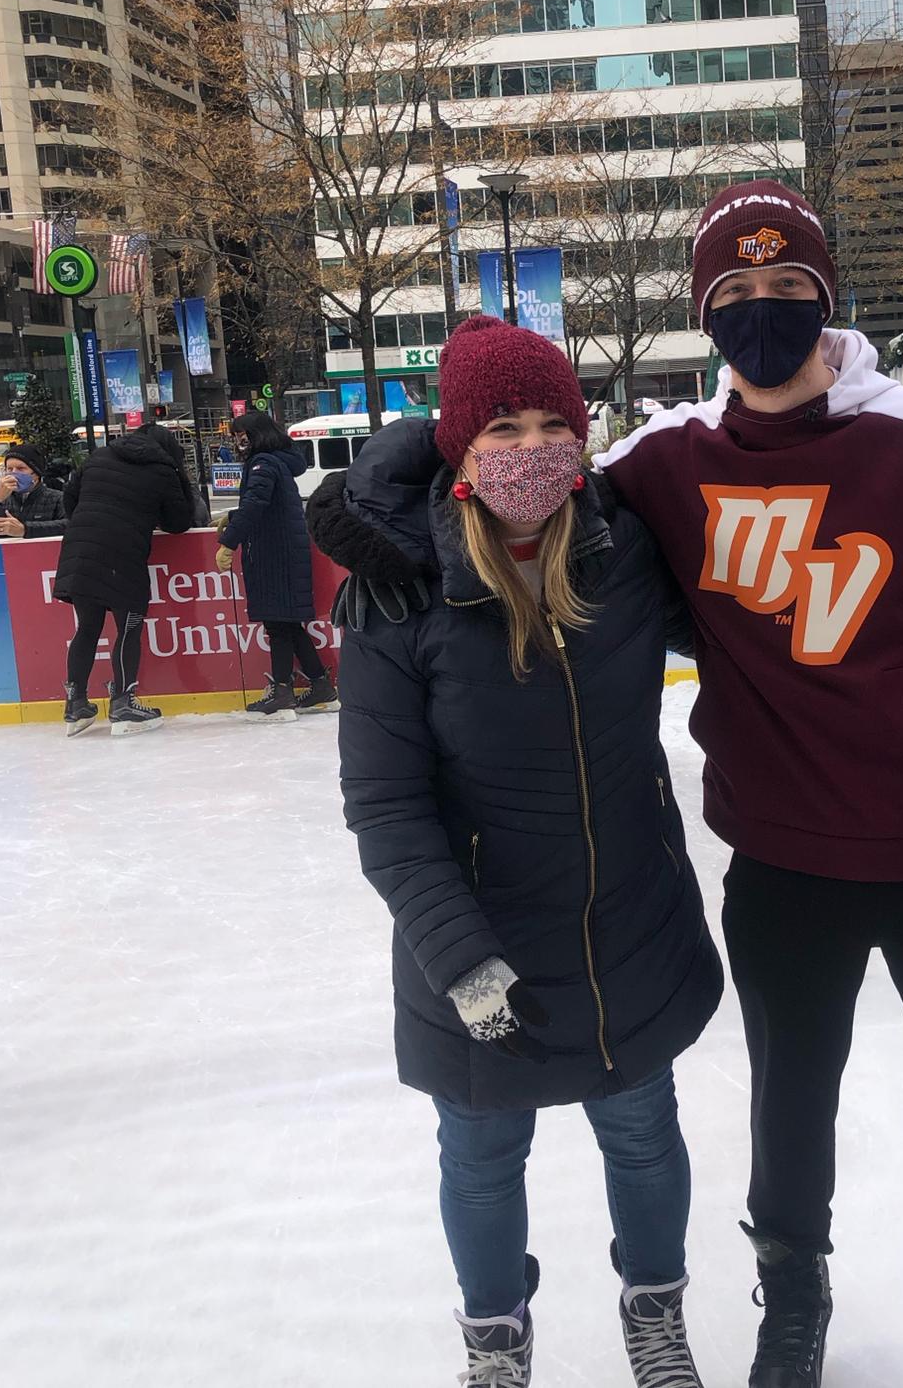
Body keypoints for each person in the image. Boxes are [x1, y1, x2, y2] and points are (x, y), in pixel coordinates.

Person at [595, 180, 903, 1388]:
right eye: (737, 296)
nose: (764, 314)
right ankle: (793, 1307)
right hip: (782, 857)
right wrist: (396, 483)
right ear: (707, 315)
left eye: (789, 292)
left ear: (828, 303)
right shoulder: (666, 462)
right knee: (790, 1103)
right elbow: (527, 475)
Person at [306, 315, 723, 1388]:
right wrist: (463, 960)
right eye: (501, 427)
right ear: (457, 447)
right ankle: (495, 1335)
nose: (531, 449)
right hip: (479, 939)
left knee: (642, 1135)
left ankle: (656, 1311)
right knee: (484, 1157)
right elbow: (386, 806)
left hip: (630, 923)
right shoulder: (396, 596)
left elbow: (758, 629)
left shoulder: (624, 551)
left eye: (553, 423)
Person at [53, 424, 196, 737]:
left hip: (80, 550)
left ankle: (75, 703)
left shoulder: (98, 456)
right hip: (123, 556)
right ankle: (123, 701)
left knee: (87, 627)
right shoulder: (162, 470)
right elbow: (179, 522)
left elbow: (70, 497)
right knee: (128, 628)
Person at [214, 411, 336, 719]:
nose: (237, 441)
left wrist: (229, 541)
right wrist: (233, 516)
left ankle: (282, 692)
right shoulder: (277, 462)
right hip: (283, 552)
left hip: (274, 556)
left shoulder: (263, 464)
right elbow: (268, 505)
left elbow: (256, 504)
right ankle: (321, 686)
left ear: (257, 435)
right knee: (287, 624)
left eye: (241, 435)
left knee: (279, 625)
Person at [0, 443, 67, 541]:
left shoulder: (57, 498)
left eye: (21, 468)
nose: (14, 473)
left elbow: (71, 525)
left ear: (36, 473)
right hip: (6, 557)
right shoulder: (0, 502)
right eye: (9, 469)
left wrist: (25, 529)